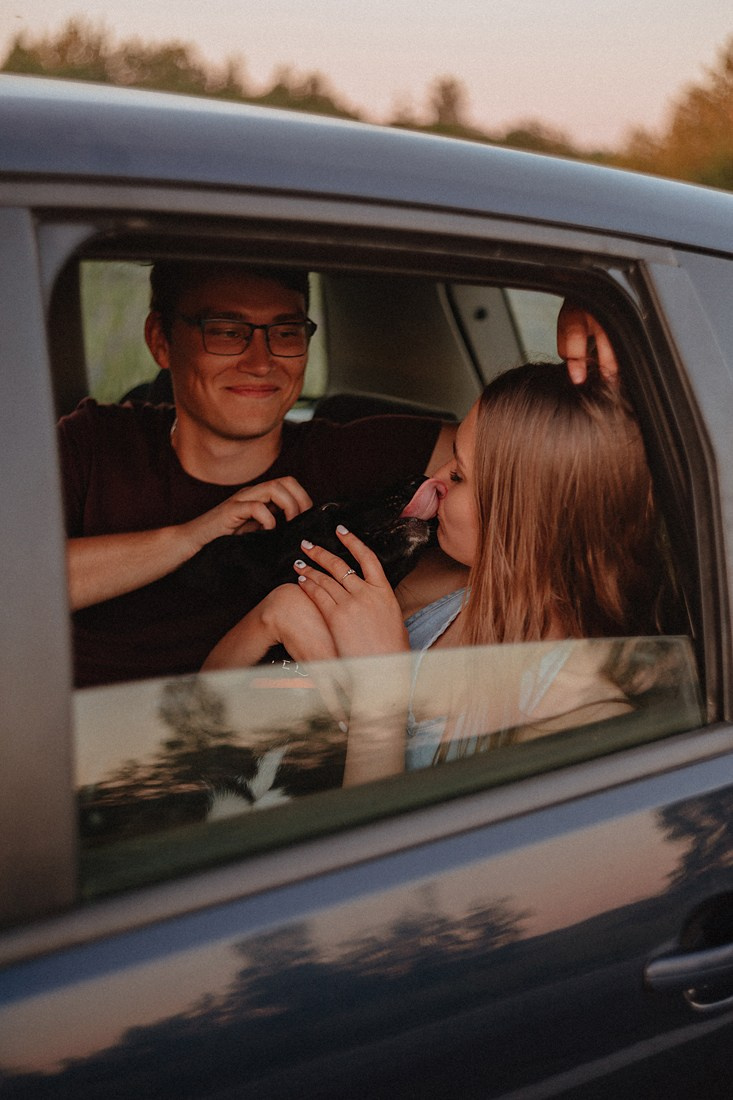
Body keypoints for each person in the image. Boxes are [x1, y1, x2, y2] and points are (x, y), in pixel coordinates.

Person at [59, 257, 615, 687]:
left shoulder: (360, 452)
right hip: (80, 748)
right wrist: (194, 533)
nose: (261, 360)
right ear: (161, 340)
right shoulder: (94, 441)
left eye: (286, 331)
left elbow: (546, 462)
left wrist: (599, 318)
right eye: (227, 331)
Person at [203, 359, 672, 782]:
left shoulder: (580, 719)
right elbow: (201, 719)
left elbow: (379, 870)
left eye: (461, 476)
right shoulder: (440, 589)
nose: (435, 481)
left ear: (531, 516)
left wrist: (380, 695)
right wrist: (274, 613)